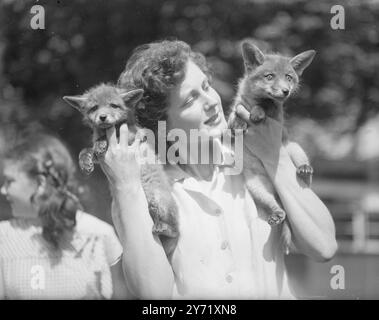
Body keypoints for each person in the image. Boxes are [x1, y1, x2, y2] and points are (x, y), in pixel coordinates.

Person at [100, 40, 338, 299]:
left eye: (206, 87)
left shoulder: (260, 153)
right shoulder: (142, 191)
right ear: (163, 121)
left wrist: (276, 159)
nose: (211, 102)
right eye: (191, 99)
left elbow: (323, 247)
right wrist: (125, 188)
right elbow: (152, 294)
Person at [0, 132, 130, 299]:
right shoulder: (4, 236)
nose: (2, 190)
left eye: (10, 181)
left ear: (40, 183)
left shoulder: (99, 236)